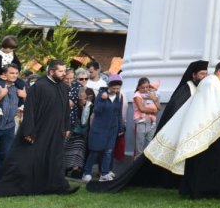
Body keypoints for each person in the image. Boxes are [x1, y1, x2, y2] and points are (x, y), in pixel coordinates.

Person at [87, 59, 209, 193]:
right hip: (151, 126)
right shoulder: (186, 88)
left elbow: (157, 108)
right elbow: (160, 109)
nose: (205, 77)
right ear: (193, 75)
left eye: (206, 74)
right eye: (202, 74)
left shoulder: (198, 88)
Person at [147, 60, 220, 199]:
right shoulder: (212, 83)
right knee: (216, 159)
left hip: (205, 128)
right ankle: (217, 191)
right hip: (206, 129)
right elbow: (217, 107)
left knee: (208, 161)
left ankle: (208, 191)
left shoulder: (210, 82)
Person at [0, 60, 79, 196]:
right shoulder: (39, 86)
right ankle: (10, 188)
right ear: (51, 72)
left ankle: (59, 186)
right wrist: (28, 130)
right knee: (26, 159)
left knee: (54, 159)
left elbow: (65, 109)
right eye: (61, 71)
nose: (64, 74)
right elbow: (30, 109)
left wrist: (66, 125)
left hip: (56, 130)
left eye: (65, 71)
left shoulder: (63, 87)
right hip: (39, 129)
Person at [83, 75, 126, 182]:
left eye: (118, 88)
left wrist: (120, 128)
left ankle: (104, 173)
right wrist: (102, 100)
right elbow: (96, 110)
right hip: (99, 128)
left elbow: (118, 114)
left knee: (108, 151)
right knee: (95, 151)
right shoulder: (101, 95)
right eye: (114, 88)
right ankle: (87, 173)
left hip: (112, 129)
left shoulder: (119, 97)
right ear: (109, 86)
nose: (115, 90)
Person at [66, 87, 94, 178]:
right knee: (67, 150)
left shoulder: (90, 105)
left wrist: (87, 105)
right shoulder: (74, 105)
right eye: (81, 97)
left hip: (82, 134)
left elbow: (84, 120)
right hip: (72, 132)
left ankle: (76, 170)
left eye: (85, 98)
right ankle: (66, 168)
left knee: (79, 151)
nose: (82, 99)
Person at [133, 78, 160, 154]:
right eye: (142, 87)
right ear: (138, 87)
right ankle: (137, 163)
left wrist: (154, 99)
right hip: (141, 122)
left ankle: (145, 162)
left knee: (150, 143)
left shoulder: (151, 94)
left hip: (151, 122)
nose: (145, 89)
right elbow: (142, 109)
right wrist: (153, 111)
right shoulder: (137, 95)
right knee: (139, 145)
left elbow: (159, 107)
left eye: (147, 87)